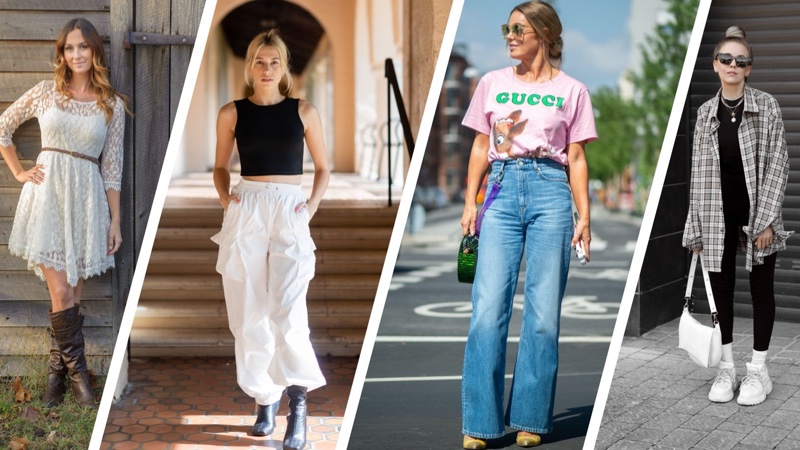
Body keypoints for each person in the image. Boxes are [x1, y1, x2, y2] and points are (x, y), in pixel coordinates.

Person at [459, 2, 597, 448]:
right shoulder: (491, 83)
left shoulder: (572, 90)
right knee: (486, 311)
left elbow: (576, 158)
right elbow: (481, 146)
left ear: (544, 34)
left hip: (551, 191)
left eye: (519, 29)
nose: (510, 36)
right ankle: (479, 423)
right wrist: (469, 202)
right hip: (499, 190)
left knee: (542, 318)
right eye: (508, 28)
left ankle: (531, 419)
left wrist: (585, 216)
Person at [211, 29, 330, 450]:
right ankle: (265, 399)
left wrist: (310, 207)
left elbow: (323, 168)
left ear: (284, 68)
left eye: (273, 62)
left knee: (288, 308)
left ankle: (297, 401)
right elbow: (221, 167)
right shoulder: (231, 112)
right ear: (250, 66)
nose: (266, 68)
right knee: (248, 313)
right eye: (259, 62)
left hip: (288, 208)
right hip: (247, 208)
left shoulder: (304, 111)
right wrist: (228, 200)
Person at [0, 18, 127, 409]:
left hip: (87, 200)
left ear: (95, 51)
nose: (77, 55)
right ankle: (80, 380)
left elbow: (113, 168)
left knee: (70, 293)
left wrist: (115, 219)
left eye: (83, 47)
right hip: (48, 196)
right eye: (70, 48)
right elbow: (3, 127)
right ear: (62, 53)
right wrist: (20, 170)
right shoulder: (45, 92)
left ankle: (56, 375)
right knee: (60, 291)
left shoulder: (112, 105)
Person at [683, 26, 790, 406]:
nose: (732, 65)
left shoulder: (766, 107)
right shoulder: (705, 113)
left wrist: (766, 221)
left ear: (748, 69)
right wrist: (694, 229)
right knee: (722, 290)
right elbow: (696, 172)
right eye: (726, 59)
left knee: (761, 290)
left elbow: (779, 164)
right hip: (715, 214)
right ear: (715, 65)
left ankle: (758, 371)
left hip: (757, 213)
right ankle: (727, 367)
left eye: (740, 61)